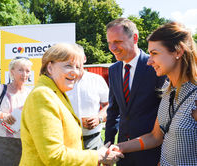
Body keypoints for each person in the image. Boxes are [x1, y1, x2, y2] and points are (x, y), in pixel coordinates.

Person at [20, 43, 124, 166]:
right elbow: (54, 156)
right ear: (50, 68)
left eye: (78, 67)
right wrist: (97, 155)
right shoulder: (42, 96)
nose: (75, 72)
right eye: (68, 66)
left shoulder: (55, 92)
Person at [109, 22, 197, 166]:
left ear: (178, 51)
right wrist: (120, 147)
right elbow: (155, 137)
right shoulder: (168, 91)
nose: (149, 61)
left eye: (154, 53)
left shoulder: (195, 97)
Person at [105, 18, 166, 166]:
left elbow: (166, 113)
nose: (112, 47)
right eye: (109, 43)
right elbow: (113, 111)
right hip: (122, 153)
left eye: (118, 42)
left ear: (135, 38)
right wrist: (107, 145)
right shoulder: (113, 70)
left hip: (152, 152)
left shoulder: (156, 66)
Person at [0, 57, 32, 166]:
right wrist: (2, 115)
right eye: (20, 70)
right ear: (12, 72)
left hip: (22, 144)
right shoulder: (0, 89)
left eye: (27, 71)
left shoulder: (30, 94)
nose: (24, 74)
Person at [66, 55, 109, 150]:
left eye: (76, 57)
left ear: (84, 58)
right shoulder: (60, 81)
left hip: (92, 140)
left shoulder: (96, 80)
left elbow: (109, 105)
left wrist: (99, 118)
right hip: (67, 141)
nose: (73, 62)